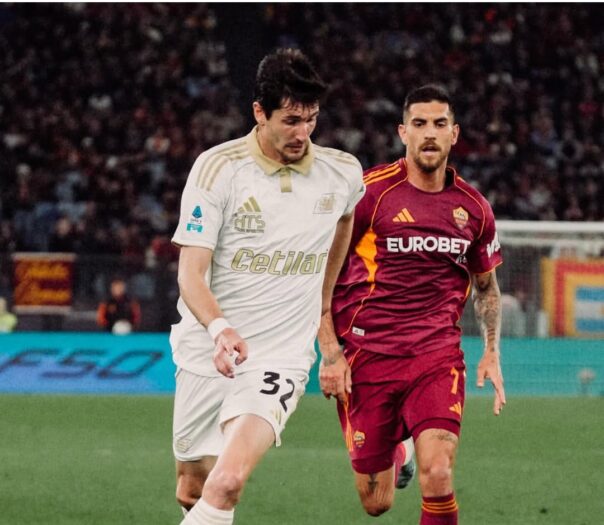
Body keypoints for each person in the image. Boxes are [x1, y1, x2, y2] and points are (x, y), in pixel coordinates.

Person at [169, 48, 365, 525]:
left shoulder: (342, 172)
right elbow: (190, 273)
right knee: (193, 488)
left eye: (311, 119)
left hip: (280, 357)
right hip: (207, 350)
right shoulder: (218, 169)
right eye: (291, 120)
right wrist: (219, 329)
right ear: (259, 112)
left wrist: (323, 305)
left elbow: (344, 222)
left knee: (227, 482)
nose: (303, 133)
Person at [318, 84, 506, 524]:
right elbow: (318, 277)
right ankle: (398, 450)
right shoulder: (368, 194)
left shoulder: (474, 209)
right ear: (403, 132)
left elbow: (486, 288)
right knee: (376, 502)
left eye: (440, 124)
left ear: (454, 134)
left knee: (438, 473)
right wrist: (330, 352)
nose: (429, 133)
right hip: (368, 356)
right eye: (419, 124)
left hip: (436, 356)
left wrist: (492, 351)